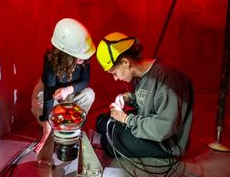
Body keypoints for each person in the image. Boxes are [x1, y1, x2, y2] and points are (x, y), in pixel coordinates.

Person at [95, 32, 193, 158]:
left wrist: (126, 119)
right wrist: (127, 98)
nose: (115, 78)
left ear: (125, 62)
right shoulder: (139, 75)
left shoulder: (168, 78)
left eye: (114, 73)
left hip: (165, 142)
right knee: (101, 121)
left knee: (108, 142)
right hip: (147, 122)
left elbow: (163, 129)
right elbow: (146, 99)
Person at [31, 18, 96, 158]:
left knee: (89, 94)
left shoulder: (84, 57)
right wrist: (47, 120)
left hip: (70, 92)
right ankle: (51, 127)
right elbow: (49, 91)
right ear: (66, 53)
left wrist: (68, 90)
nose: (83, 59)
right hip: (51, 94)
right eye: (79, 56)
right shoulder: (51, 60)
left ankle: (72, 126)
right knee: (40, 103)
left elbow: (85, 81)